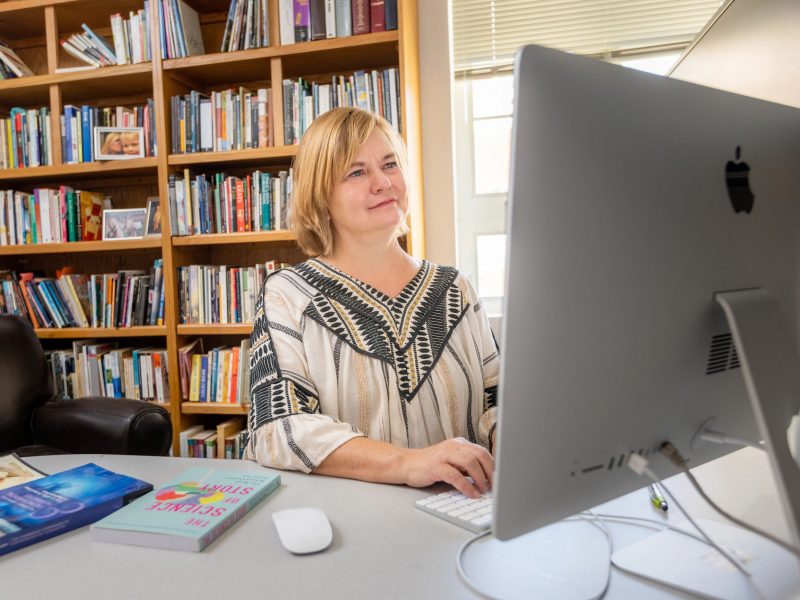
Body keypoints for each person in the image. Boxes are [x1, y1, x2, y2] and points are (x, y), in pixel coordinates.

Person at [245, 107, 499, 499]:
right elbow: (279, 428)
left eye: (390, 164)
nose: (383, 183)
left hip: (465, 511)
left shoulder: (456, 288)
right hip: (353, 521)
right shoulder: (288, 293)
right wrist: (408, 463)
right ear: (320, 195)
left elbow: (497, 399)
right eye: (357, 172)